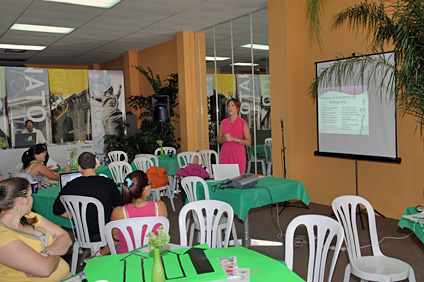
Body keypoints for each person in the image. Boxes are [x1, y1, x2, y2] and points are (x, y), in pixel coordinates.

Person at [0, 177, 72, 281]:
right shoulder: (3, 236)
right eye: (30, 195)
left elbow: (66, 238)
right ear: (23, 201)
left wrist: (46, 253)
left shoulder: (29, 216)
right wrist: (57, 248)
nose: (32, 198)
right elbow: (45, 269)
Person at [52, 152, 120, 255]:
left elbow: (57, 210)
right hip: (106, 232)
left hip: (82, 234)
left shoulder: (71, 185)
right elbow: (119, 207)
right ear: (96, 165)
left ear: (79, 168)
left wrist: (76, 216)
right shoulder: (108, 183)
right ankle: (103, 256)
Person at [110, 170, 167, 254]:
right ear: (146, 188)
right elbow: (161, 233)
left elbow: (115, 236)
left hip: (126, 257)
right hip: (154, 256)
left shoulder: (118, 212)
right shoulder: (160, 207)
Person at [217, 98, 251, 174]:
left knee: (238, 179)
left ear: (238, 108)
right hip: (225, 153)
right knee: (224, 178)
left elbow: (248, 142)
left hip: (238, 154)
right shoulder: (223, 122)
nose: (230, 108)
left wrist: (233, 139)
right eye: (228, 106)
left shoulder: (243, 123)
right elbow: (218, 139)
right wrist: (224, 139)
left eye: (233, 105)